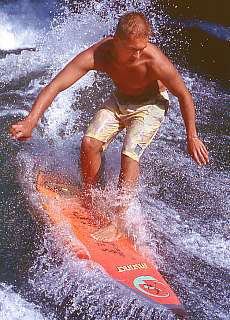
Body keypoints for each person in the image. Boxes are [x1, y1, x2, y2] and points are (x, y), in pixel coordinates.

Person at [10, 12, 209, 242]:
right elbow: (56, 85)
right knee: (89, 143)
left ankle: (118, 223)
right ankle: (89, 196)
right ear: (116, 41)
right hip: (120, 99)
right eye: (132, 49)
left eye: (141, 48)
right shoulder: (99, 54)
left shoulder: (153, 59)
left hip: (151, 104)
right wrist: (31, 121)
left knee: (129, 154)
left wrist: (192, 136)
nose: (138, 54)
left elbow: (184, 94)